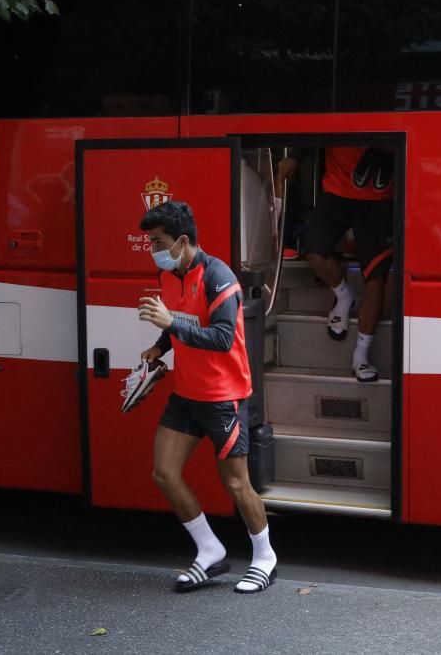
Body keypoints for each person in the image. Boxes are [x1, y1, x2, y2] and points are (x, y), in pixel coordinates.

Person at [135, 200, 277, 594]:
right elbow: (179, 320)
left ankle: (265, 557)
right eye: (150, 243)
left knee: (235, 484)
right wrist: (160, 347)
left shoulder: (220, 278)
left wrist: (170, 326)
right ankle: (210, 550)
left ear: (182, 241)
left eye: (159, 242)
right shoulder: (170, 275)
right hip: (186, 392)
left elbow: (221, 337)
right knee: (163, 473)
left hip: (222, 396)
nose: (153, 250)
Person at [277, 146, 394, 382]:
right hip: (336, 190)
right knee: (312, 250)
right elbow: (312, 124)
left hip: (379, 199)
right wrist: (294, 157)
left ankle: (360, 357)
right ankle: (343, 296)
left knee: (376, 279)